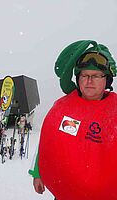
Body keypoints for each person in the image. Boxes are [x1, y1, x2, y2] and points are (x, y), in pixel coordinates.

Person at [29, 40, 117, 200]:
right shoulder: (64, 108)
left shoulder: (115, 110)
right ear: (78, 78)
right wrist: (38, 172)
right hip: (65, 195)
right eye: (84, 75)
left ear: (107, 79)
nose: (89, 80)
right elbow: (48, 142)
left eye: (96, 76)